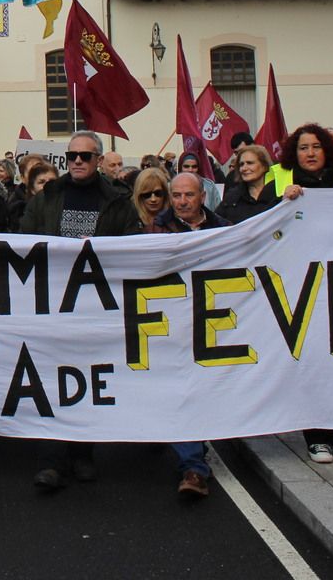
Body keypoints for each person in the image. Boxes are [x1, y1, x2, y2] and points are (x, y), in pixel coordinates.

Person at [18, 131, 141, 492]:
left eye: (85, 156)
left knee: (85, 380)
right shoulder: (48, 197)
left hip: (94, 307)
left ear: (99, 160)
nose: (76, 162)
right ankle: (51, 459)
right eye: (71, 155)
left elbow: (130, 248)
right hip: (52, 304)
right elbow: (24, 238)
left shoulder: (118, 202)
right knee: (51, 381)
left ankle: (83, 452)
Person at [269, 123, 333, 461]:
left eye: (317, 147)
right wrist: (281, 203)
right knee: (310, 360)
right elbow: (259, 224)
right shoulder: (279, 180)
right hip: (298, 287)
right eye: (304, 147)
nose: (310, 153)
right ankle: (315, 434)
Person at [144, 173, 225, 498]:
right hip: (170, 325)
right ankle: (193, 468)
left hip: (213, 322)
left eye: (188, 195)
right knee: (182, 392)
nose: (181, 201)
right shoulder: (154, 230)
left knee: (202, 392)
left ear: (202, 196)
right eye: (175, 195)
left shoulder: (223, 229)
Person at [216, 145, 279, 224]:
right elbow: (216, 223)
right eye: (241, 164)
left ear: (264, 166)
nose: (244, 168)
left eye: (250, 163)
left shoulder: (279, 192)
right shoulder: (232, 197)